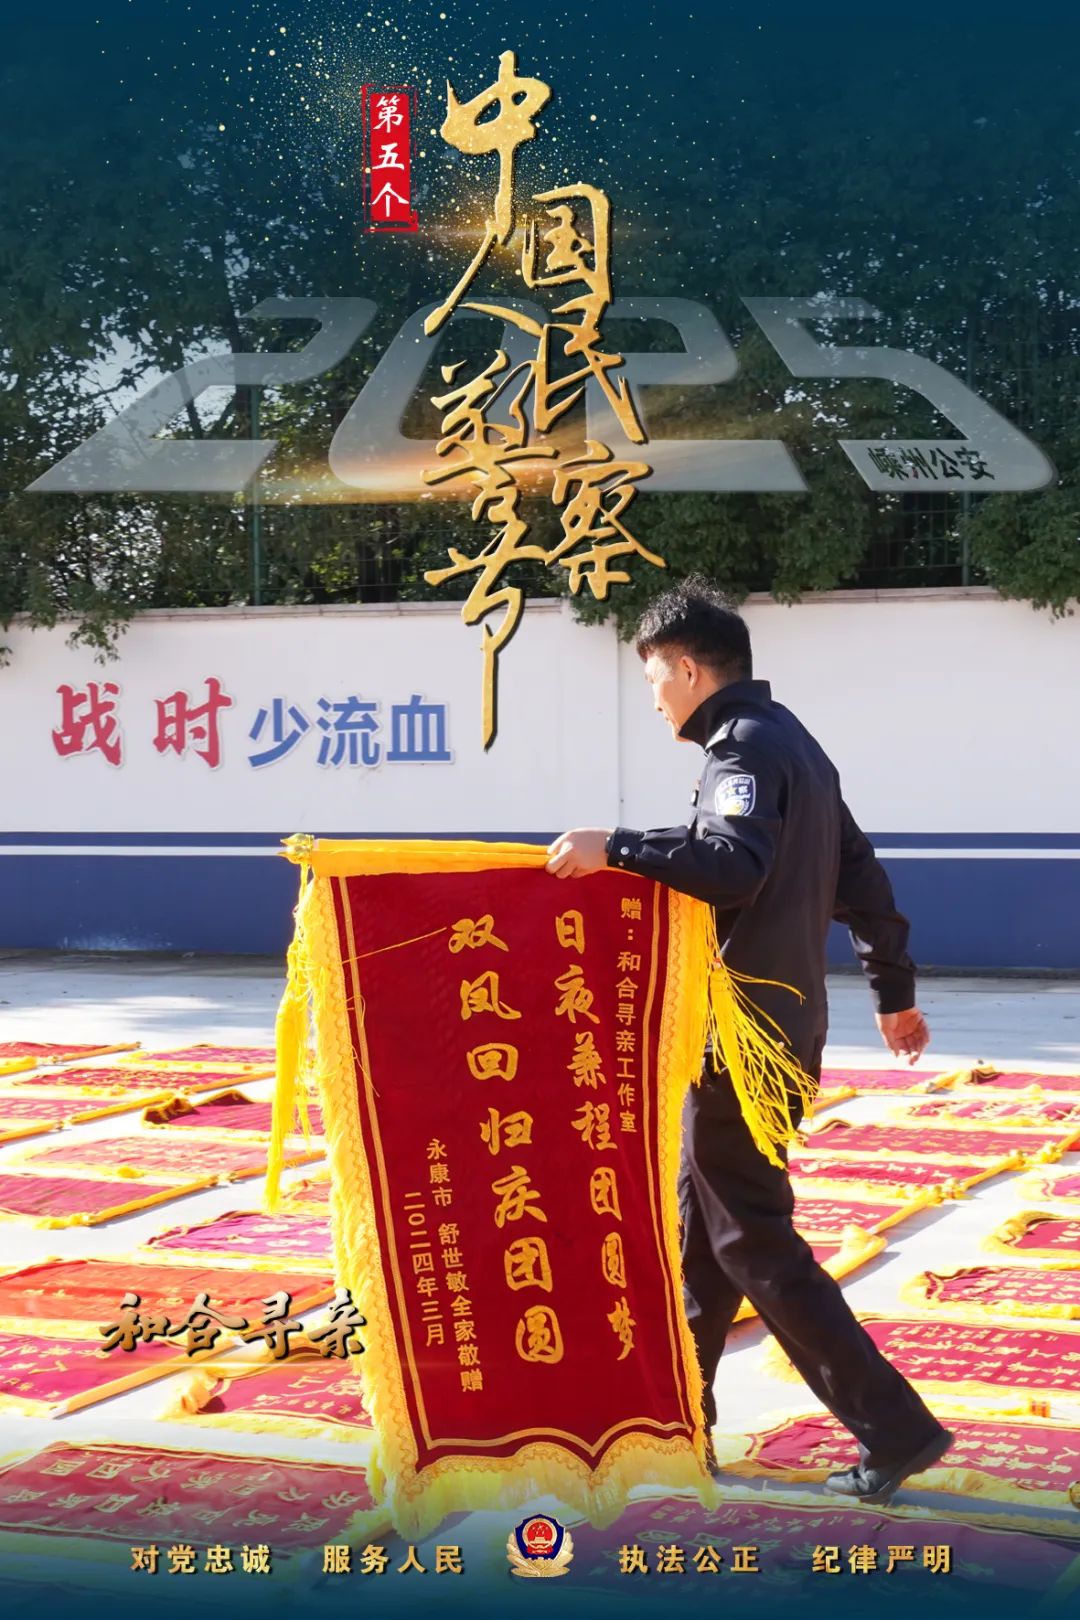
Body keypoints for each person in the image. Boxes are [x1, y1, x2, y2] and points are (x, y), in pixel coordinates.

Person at [545, 577, 952, 1504]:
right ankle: (676, 1425)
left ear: (689, 669)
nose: (652, 697)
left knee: (751, 1238)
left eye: (654, 676)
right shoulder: (794, 744)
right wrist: (892, 990)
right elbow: (861, 876)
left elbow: (731, 866)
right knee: (705, 1237)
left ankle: (893, 1427)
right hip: (779, 1033)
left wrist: (617, 846)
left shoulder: (743, 750)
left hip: (742, 1043)